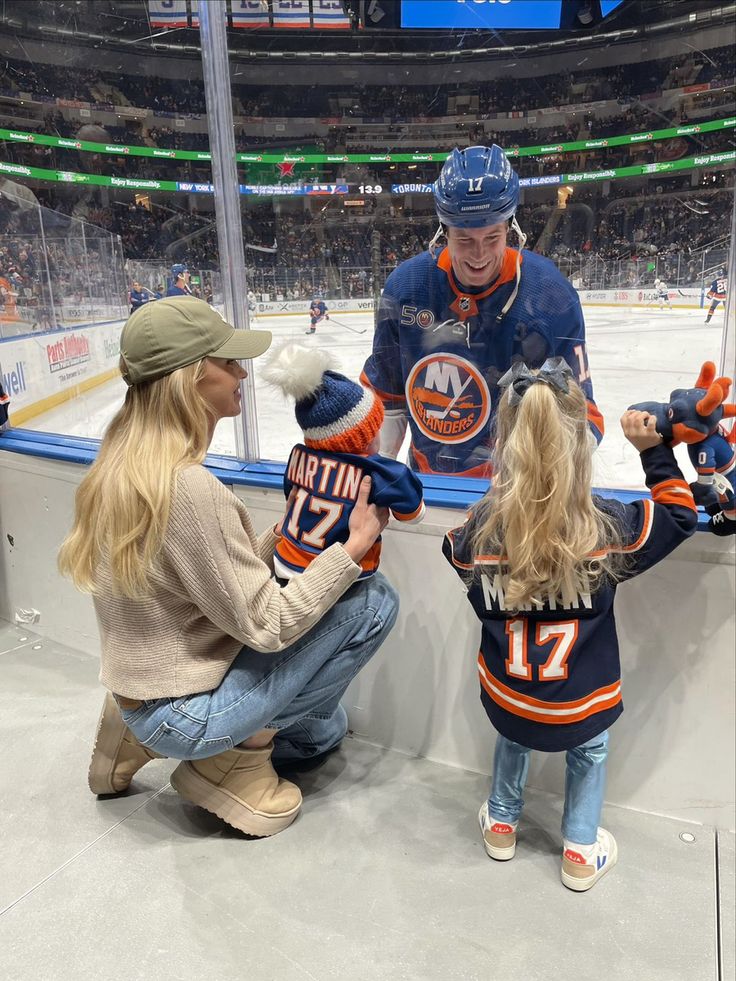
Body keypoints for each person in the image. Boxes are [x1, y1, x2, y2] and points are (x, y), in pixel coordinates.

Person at [58, 296, 398, 838]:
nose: (241, 372)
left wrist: (292, 532)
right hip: (187, 712)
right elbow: (268, 625)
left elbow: (205, 573)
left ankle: (137, 729)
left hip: (145, 687)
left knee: (322, 733)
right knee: (375, 601)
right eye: (227, 362)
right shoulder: (190, 489)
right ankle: (229, 764)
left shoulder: (124, 463)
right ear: (191, 377)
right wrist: (349, 550)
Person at [442, 360, 697, 891]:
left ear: (504, 441)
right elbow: (677, 514)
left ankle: (503, 824)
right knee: (591, 751)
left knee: (513, 741)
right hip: (583, 703)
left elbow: (453, 552)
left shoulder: (481, 530)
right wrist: (655, 453)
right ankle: (580, 849)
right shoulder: (607, 525)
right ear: (581, 444)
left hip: (510, 698)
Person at [361, 145, 603, 477]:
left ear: (510, 227)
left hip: (514, 492)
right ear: (443, 232)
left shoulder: (551, 296)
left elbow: (579, 418)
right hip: (428, 483)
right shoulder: (406, 287)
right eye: (464, 239)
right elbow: (387, 398)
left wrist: (542, 490)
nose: (479, 255)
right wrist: (384, 473)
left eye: (492, 237)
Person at [262, 343, 425, 580]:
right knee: (383, 593)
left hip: (285, 558)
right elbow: (414, 513)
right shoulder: (382, 473)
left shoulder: (298, 456)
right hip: (329, 576)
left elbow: (293, 495)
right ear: (366, 437)